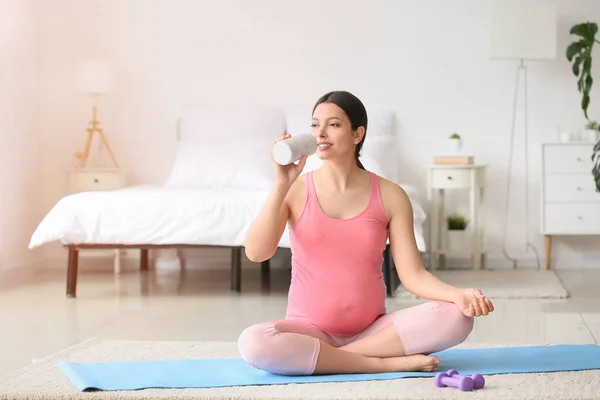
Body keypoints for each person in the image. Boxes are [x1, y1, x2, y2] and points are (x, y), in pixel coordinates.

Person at [238, 90, 494, 376]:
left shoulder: (391, 195)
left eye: (333, 125)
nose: (320, 133)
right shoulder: (294, 190)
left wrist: (458, 295)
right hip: (309, 332)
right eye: (314, 125)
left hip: (375, 333)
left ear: (357, 134)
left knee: (458, 317)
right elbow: (257, 252)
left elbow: (413, 275)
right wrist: (280, 185)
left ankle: (333, 360)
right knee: (253, 342)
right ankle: (379, 363)